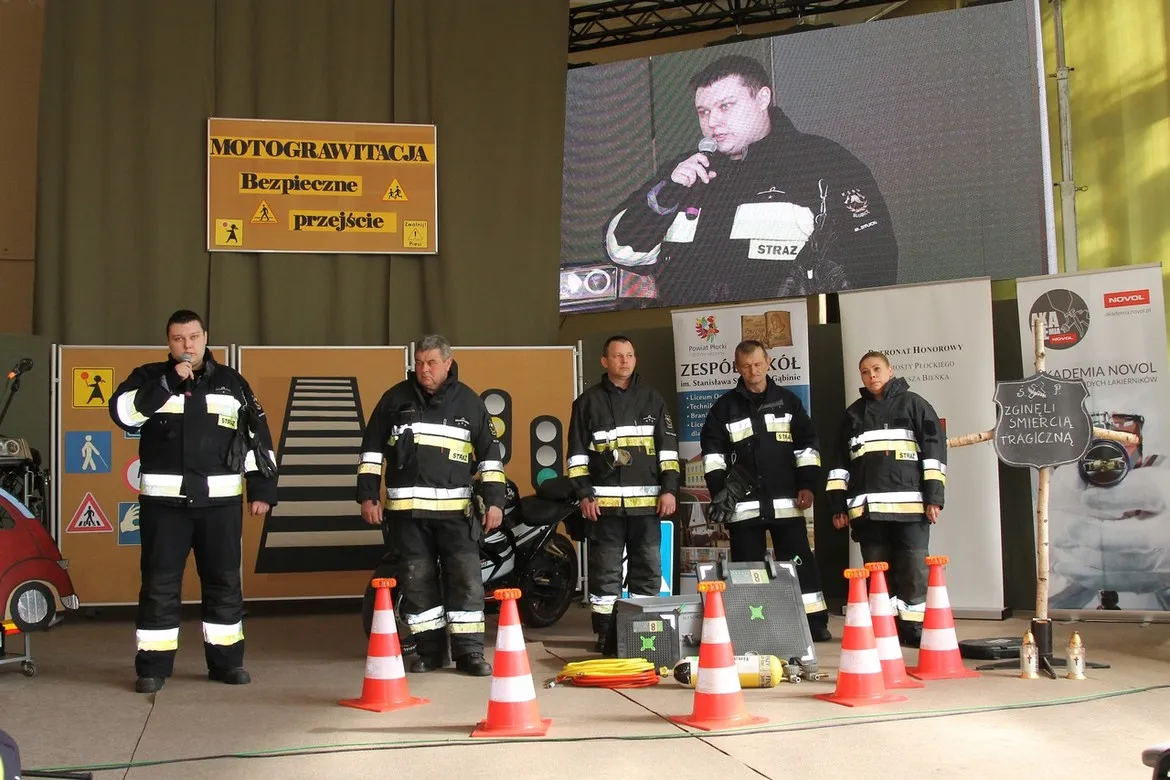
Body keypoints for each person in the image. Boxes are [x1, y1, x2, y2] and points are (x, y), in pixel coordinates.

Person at [603, 54, 897, 308]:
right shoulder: (681, 173)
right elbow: (622, 251)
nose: (712, 122)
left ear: (762, 99)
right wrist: (667, 194)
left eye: (725, 106)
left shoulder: (825, 163)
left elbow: (874, 264)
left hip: (790, 350)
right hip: (698, 351)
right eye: (703, 112)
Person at [109, 310, 277, 693]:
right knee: (159, 586)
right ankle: (152, 668)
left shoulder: (232, 383)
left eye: (194, 337)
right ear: (169, 343)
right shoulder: (149, 377)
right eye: (178, 339)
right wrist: (168, 382)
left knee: (223, 584)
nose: (187, 345)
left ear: (205, 337)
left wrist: (263, 490)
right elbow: (122, 414)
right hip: (164, 508)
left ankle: (227, 663)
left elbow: (257, 438)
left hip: (219, 506)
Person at [357, 335, 505, 676]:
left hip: (456, 517)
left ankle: (470, 655)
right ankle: (430, 652)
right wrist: (368, 496)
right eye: (419, 362)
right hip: (407, 517)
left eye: (431, 363)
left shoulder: (469, 403)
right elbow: (371, 453)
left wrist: (494, 502)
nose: (424, 369)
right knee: (416, 583)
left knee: (466, 584)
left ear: (447, 363)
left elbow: (490, 459)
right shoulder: (394, 400)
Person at [700, 340, 831, 641]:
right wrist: (721, 492)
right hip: (742, 506)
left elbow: (808, 447)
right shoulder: (723, 409)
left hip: (787, 502)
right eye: (746, 366)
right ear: (737, 367)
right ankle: (753, 626)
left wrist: (808, 485)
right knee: (747, 571)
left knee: (800, 565)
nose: (753, 371)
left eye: (758, 364)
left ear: (768, 362)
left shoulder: (789, 402)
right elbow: (713, 455)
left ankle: (814, 623)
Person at [566, 336, 679, 654]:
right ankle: (605, 635)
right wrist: (584, 495)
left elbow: (668, 452)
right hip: (605, 509)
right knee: (605, 576)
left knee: (647, 571)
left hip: (646, 509)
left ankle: (646, 632)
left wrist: (669, 490)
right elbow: (576, 457)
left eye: (629, 355)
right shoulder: (587, 402)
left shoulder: (653, 399)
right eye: (617, 356)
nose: (624, 361)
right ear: (604, 361)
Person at [826, 351, 946, 648]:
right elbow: (839, 463)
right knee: (877, 574)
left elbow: (934, 454)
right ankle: (885, 626)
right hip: (869, 513)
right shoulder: (853, 415)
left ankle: (914, 628)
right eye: (865, 372)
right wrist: (837, 505)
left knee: (913, 570)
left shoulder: (916, 405)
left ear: (890, 371)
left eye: (877, 369)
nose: (872, 376)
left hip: (912, 510)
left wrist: (934, 498)